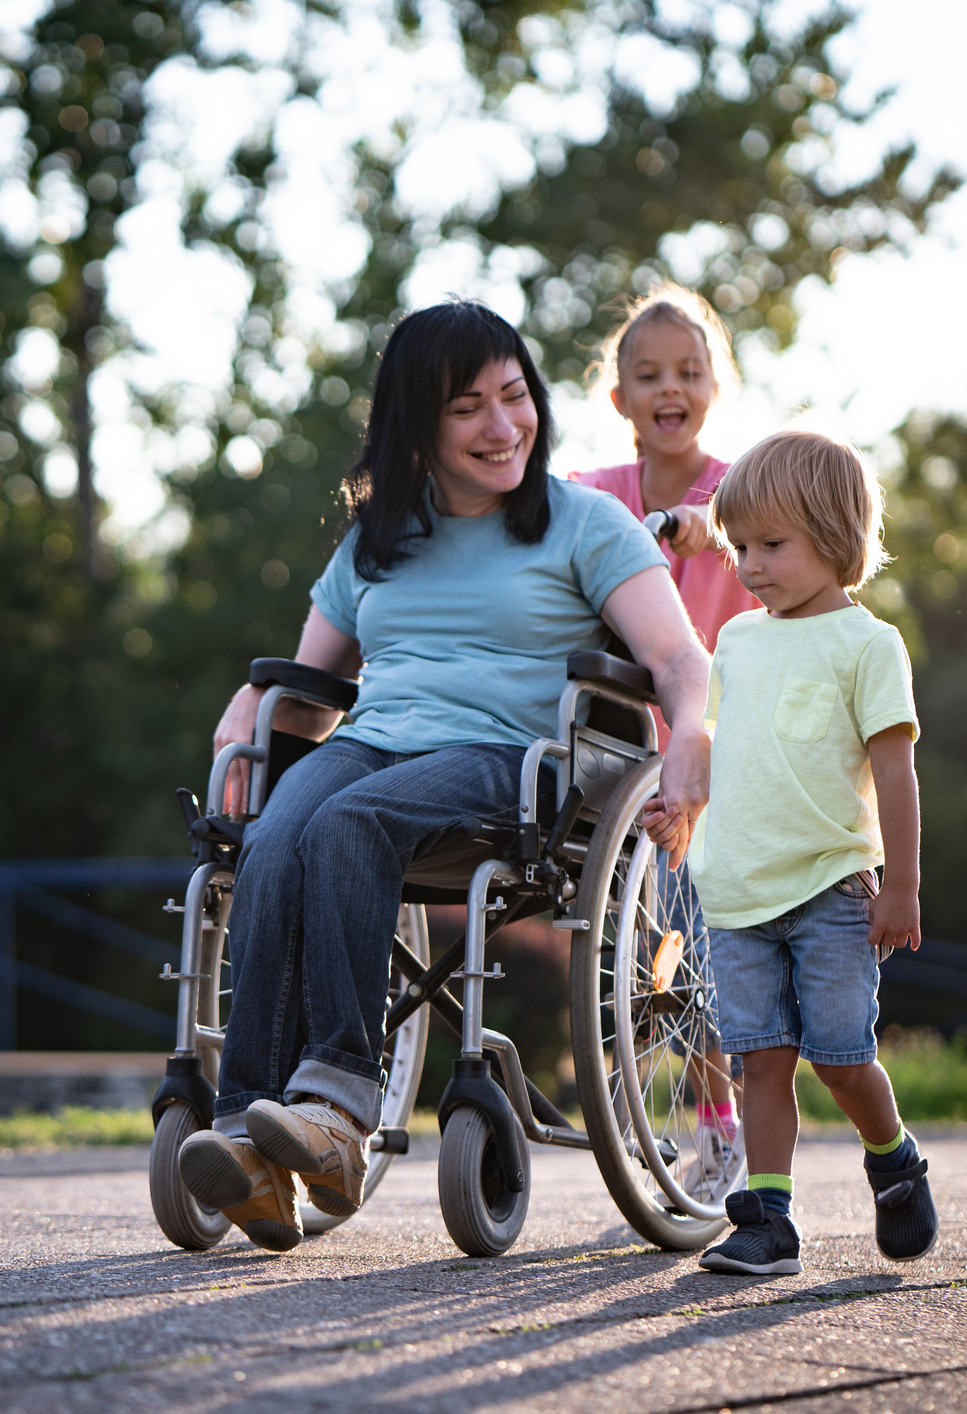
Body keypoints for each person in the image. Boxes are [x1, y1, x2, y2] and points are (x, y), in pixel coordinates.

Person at [176, 301, 715, 1252]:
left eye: (514, 398)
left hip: (510, 756)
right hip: (374, 738)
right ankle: (247, 1133)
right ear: (416, 424)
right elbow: (311, 687)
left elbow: (675, 659)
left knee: (349, 824)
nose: (503, 428)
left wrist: (692, 732)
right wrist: (248, 710)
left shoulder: (586, 525)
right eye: (469, 408)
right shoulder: (379, 540)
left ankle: (338, 1112)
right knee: (274, 837)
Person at [679, 429, 939, 1276]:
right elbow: (734, 745)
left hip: (833, 888)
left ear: (834, 538)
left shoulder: (869, 646)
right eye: (740, 546)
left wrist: (900, 884)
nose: (749, 565)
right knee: (762, 1059)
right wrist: (683, 795)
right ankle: (770, 1220)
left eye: (772, 545)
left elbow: (896, 773)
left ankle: (893, 1157)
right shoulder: (739, 642)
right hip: (740, 893)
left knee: (841, 1058)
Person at [568, 287, 756, 1204]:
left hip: (716, 751)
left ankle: (722, 1130)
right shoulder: (600, 496)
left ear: (715, 386)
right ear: (619, 399)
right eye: (648, 375)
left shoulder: (740, 490)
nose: (668, 388)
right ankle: (648, 1108)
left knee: (704, 949)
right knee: (640, 950)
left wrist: (707, 531)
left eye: (687, 371)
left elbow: (768, 537)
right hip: (619, 757)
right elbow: (547, 517)